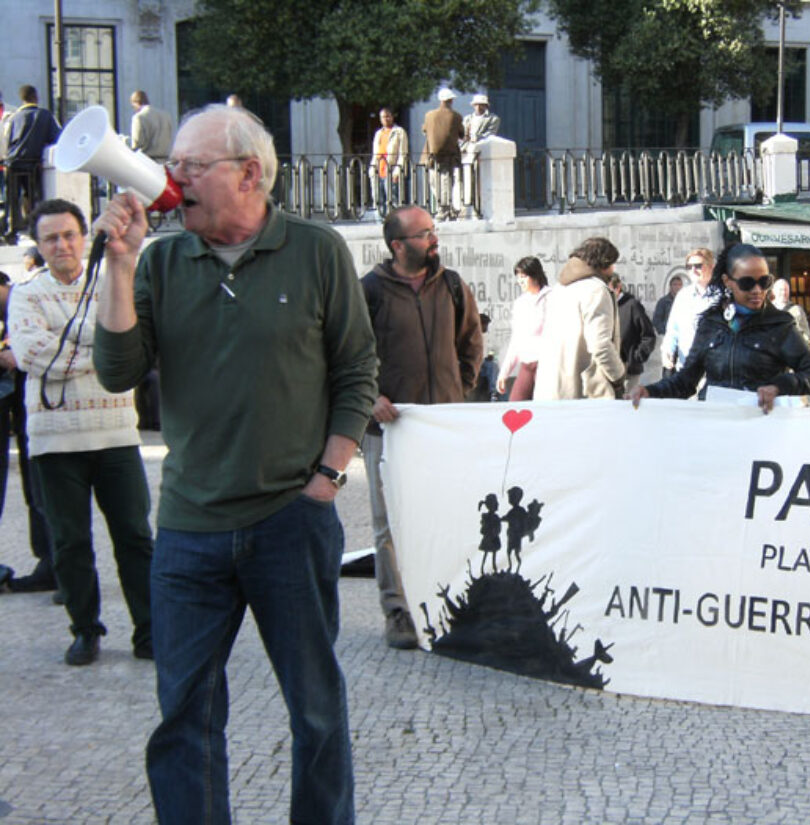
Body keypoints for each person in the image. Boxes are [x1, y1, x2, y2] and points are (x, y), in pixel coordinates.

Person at [92, 103, 377, 823]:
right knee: (183, 716)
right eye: (172, 165)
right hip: (189, 528)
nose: (171, 177)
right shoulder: (160, 259)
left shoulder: (316, 252)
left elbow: (356, 370)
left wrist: (329, 475)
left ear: (248, 173)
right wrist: (118, 269)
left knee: (315, 709)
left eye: (190, 165)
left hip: (292, 518)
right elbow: (118, 371)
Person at [6, 199, 153, 666]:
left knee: (134, 536)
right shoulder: (27, 294)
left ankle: (149, 630)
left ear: (84, 237)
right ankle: (85, 629)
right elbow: (34, 357)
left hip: (115, 435)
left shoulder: (115, 285)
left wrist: (78, 338)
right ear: (40, 245)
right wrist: (102, 346)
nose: (63, 245)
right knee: (70, 541)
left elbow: (132, 346)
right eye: (51, 238)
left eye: (70, 235)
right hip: (55, 441)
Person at [361, 205, 482, 648]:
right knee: (388, 523)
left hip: (442, 426)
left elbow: (471, 342)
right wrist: (371, 398)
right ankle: (398, 612)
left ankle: (446, 601)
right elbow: (349, 355)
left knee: (447, 515)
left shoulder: (451, 285)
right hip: (389, 429)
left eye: (433, 231)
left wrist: (459, 391)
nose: (434, 239)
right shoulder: (370, 291)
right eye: (424, 233)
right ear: (398, 245)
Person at [630, 243, 810, 412]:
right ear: (728, 281)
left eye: (764, 282)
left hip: (762, 431)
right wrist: (650, 391)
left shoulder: (779, 325)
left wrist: (780, 386)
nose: (757, 290)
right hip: (715, 428)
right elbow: (686, 380)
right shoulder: (710, 323)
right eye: (747, 283)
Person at [0, 270, 55, 595]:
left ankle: (54, 564)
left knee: (40, 489)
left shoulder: (30, 300)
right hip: (10, 397)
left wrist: (17, 355)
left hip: (33, 401)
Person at [533, 236, 626, 400]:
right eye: (612, 263)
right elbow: (600, 344)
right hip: (583, 393)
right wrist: (618, 377)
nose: (613, 269)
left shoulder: (559, 289)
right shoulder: (596, 290)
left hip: (551, 389)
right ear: (604, 264)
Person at [3, 85, 61, 244]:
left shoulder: (14, 117)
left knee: (12, 198)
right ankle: (35, 227)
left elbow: (6, 141)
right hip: (33, 163)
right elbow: (56, 138)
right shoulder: (44, 116)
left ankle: (11, 230)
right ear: (36, 97)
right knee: (34, 197)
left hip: (13, 163)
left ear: (22, 98)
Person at [497, 256, 550, 401]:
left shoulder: (551, 297)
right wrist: (504, 373)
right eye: (518, 277)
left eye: (523, 276)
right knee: (515, 404)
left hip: (547, 365)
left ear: (535, 275)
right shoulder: (520, 303)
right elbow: (516, 341)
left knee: (544, 409)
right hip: (526, 364)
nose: (520, 281)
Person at [661, 248, 720, 374]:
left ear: (711, 267)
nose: (693, 270)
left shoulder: (722, 295)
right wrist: (667, 350)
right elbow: (672, 330)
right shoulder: (683, 296)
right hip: (687, 370)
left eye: (698, 266)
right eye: (689, 267)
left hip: (715, 371)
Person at [609, 273, 656, 393]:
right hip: (610, 369)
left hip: (629, 371)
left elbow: (648, 335)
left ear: (618, 288)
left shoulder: (632, 305)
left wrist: (636, 357)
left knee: (628, 407)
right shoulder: (606, 307)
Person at [422, 88, 464, 220]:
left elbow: (424, 130)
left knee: (434, 181)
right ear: (451, 100)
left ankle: (443, 207)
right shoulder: (456, 116)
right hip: (449, 154)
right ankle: (445, 209)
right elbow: (461, 134)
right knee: (446, 181)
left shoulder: (429, 115)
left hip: (431, 154)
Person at [370, 107, 408, 214]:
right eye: (383, 117)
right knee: (377, 199)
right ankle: (379, 220)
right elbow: (375, 152)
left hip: (391, 169)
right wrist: (372, 169)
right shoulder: (378, 133)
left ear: (392, 117)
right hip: (378, 169)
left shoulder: (399, 132)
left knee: (392, 199)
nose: (385, 119)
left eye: (388, 116)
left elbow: (402, 153)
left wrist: (397, 171)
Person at [129, 90, 174, 162]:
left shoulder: (139, 117)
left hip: (147, 161)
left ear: (135, 103)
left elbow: (136, 143)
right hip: (165, 160)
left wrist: (124, 141)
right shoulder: (166, 115)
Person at [770, 278, 810, 345]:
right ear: (774, 291)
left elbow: (807, 333)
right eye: (781, 290)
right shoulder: (766, 310)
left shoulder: (797, 310)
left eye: (786, 290)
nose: (784, 292)